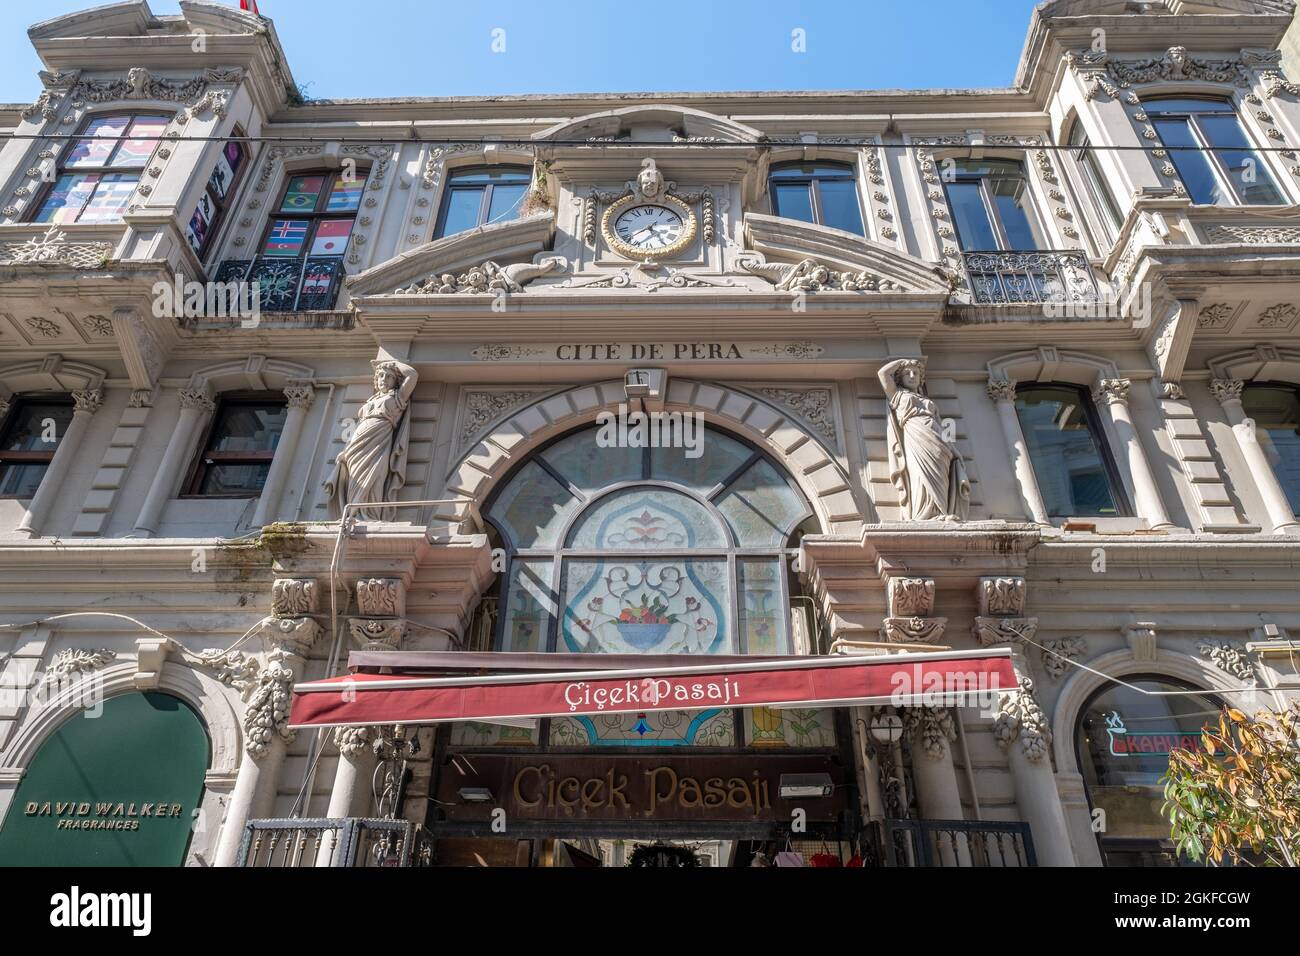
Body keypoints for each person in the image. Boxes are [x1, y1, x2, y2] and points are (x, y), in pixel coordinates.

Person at [877, 358, 970, 521]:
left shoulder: (928, 401)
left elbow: (942, 426)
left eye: (916, 373)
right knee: (920, 474)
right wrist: (902, 360)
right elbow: (882, 373)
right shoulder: (897, 395)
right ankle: (925, 515)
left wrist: (954, 450)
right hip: (916, 436)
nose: (912, 376)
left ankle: (942, 513)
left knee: (940, 477)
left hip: (938, 442)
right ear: (900, 378)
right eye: (907, 373)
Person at [324, 358, 417, 521]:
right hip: (357, 442)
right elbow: (358, 425)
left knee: (375, 476)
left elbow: (413, 375)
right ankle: (352, 514)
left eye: (389, 377)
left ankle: (367, 515)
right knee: (355, 478)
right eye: (380, 376)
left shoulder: (397, 397)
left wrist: (391, 363)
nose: (384, 379)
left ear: (395, 381)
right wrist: (345, 450)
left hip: (379, 441)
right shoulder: (371, 400)